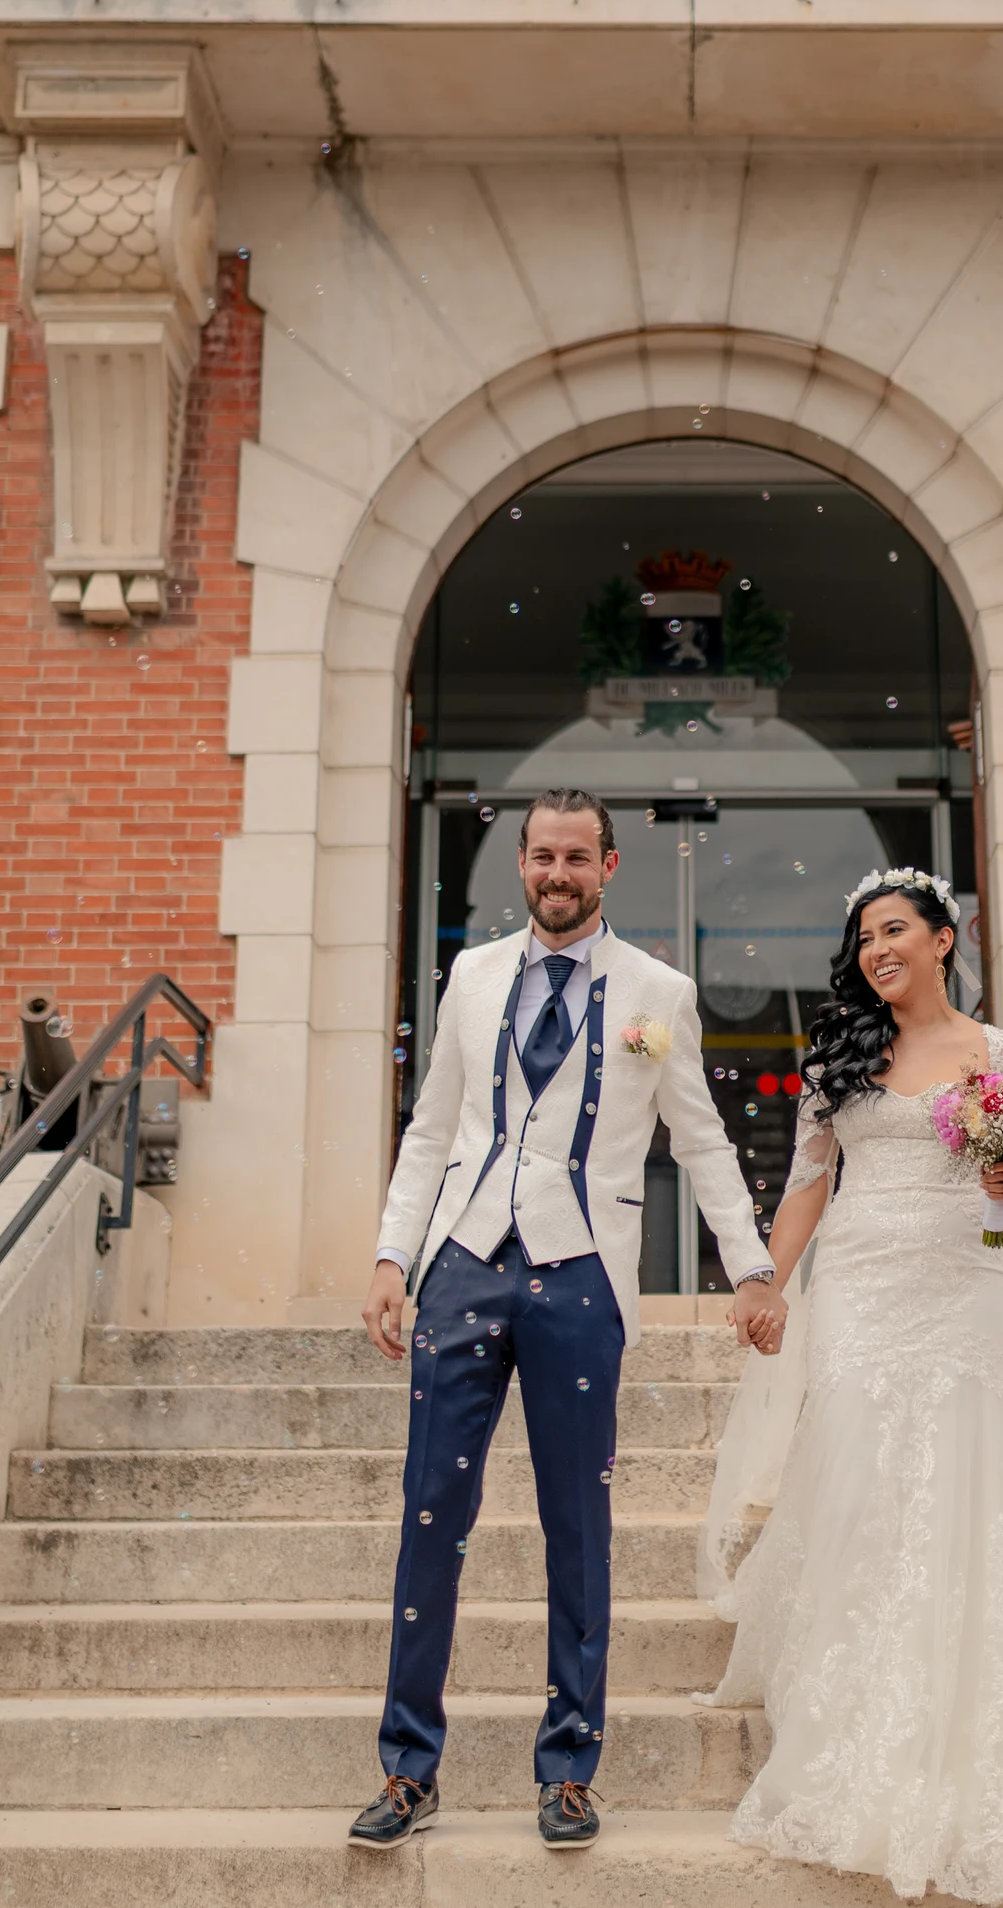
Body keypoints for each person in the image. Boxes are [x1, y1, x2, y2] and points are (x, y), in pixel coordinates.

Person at [350, 785, 785, 1852]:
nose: (555, 873)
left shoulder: (657, 993)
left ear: (607, 869)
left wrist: (751, 1268)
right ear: (523, 865)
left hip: (583, 1273)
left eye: (575, 858)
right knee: (428, 1517)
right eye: (541, 856)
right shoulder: (471, 974)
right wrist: (391, 1254)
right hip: (461, 1264)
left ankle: (570, 1766)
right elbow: (429, 1127)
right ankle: (409, 1769)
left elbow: (703, 1142)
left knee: (577, 1528)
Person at [699, 866, 1003, 1907]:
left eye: (895, 931)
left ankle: (956, 1696)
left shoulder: (999, 1059)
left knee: (955, 1494)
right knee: (865, 1491)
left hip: (962, 1296)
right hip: (862, 1292)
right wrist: (767, 1283)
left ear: (941, 939)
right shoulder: (840, 1051)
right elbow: (810, 1182)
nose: (877, 950)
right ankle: (852, 1696)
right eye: (864, 937)